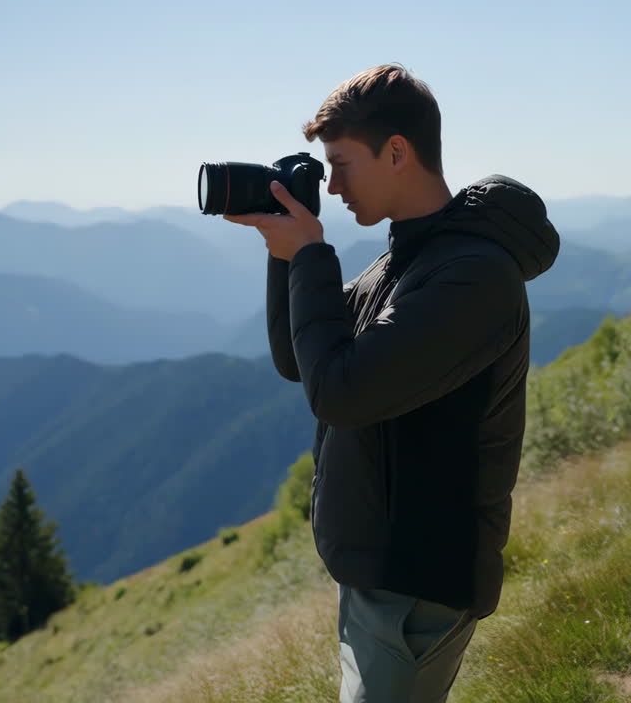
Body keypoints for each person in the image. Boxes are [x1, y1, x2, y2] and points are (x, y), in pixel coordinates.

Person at [225, 63, 559, 702]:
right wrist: (283, 257)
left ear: (398, 151)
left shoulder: (474, 277)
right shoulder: (404, 261)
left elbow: (340, 395)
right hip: (383, 571)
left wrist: (312, 256)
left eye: (342, 163)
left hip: (418, 579)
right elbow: (300, 359)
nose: (333, 184)